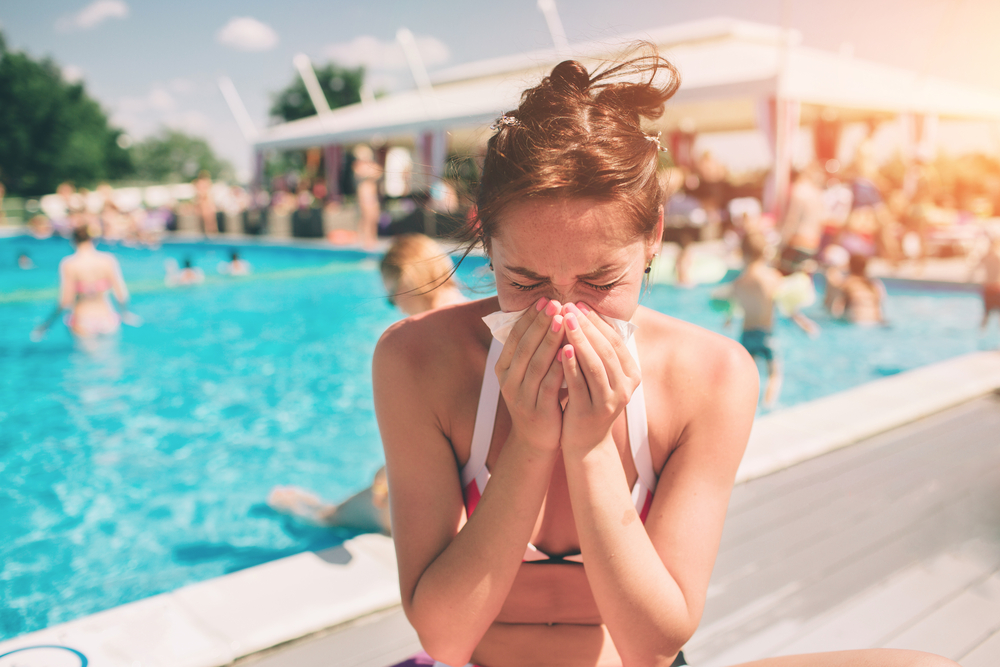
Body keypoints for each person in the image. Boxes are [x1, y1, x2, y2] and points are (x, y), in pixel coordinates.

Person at [374, 51, 952, 667]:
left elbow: (653, 644)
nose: (563, 314)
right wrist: (532, 444)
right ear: (486, 240)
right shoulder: (417, 360)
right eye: (525, 280)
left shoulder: (712, 377)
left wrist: (591, 451)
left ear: (652, 239)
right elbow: (445, 639)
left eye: (600, 282)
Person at [268, 233, 467, 534]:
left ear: (406, 283)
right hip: (491, 493)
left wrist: (386, 473)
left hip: (452, 507)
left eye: (391, 296)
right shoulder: (480, 320)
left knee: (331, 518)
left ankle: (304, 509)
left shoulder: (421, 337)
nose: (396, 306)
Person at [730, 233, 818, 408]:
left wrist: (727, 320)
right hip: (765, 334)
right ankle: (768, 404)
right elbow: (785, 305)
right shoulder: (771, 277)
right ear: (766, 252)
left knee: (749, 375)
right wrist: (803, 324)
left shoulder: (740, 282)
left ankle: (744, 405)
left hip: (746, 335)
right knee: (774, 374)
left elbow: (734, 308)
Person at [31, 226, 140, 341]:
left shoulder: (69, 264)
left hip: (82, 320)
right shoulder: (108, 260)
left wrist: (46, 325)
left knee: (86, 357)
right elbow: (121, 294)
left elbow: (65, 301)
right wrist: (125, 313)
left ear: (73, 241)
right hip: (107, 318)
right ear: (93, 239)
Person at [831, 254, 887, 325]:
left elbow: (835, 310)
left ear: (850, 266)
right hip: (875, 320)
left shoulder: (846, 283)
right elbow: (881, 306)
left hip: (856, 320)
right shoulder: (874, 284)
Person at [353, 144, 383, 249]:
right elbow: (363, 173)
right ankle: (364, 239)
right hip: (364, 194)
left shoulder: (369, 165)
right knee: (366, 217)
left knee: (374, 216)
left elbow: (378, 171)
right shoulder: (358, 165)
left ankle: (372, 238)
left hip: (372, 194)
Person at [968, 235, 1000, 331]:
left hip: (988, 287)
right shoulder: (996, 257)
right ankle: (982, 331)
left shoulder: (987, 257)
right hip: (995, 287)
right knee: (989, 313)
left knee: (986, 313)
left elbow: (974, 269)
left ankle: (981, 331)